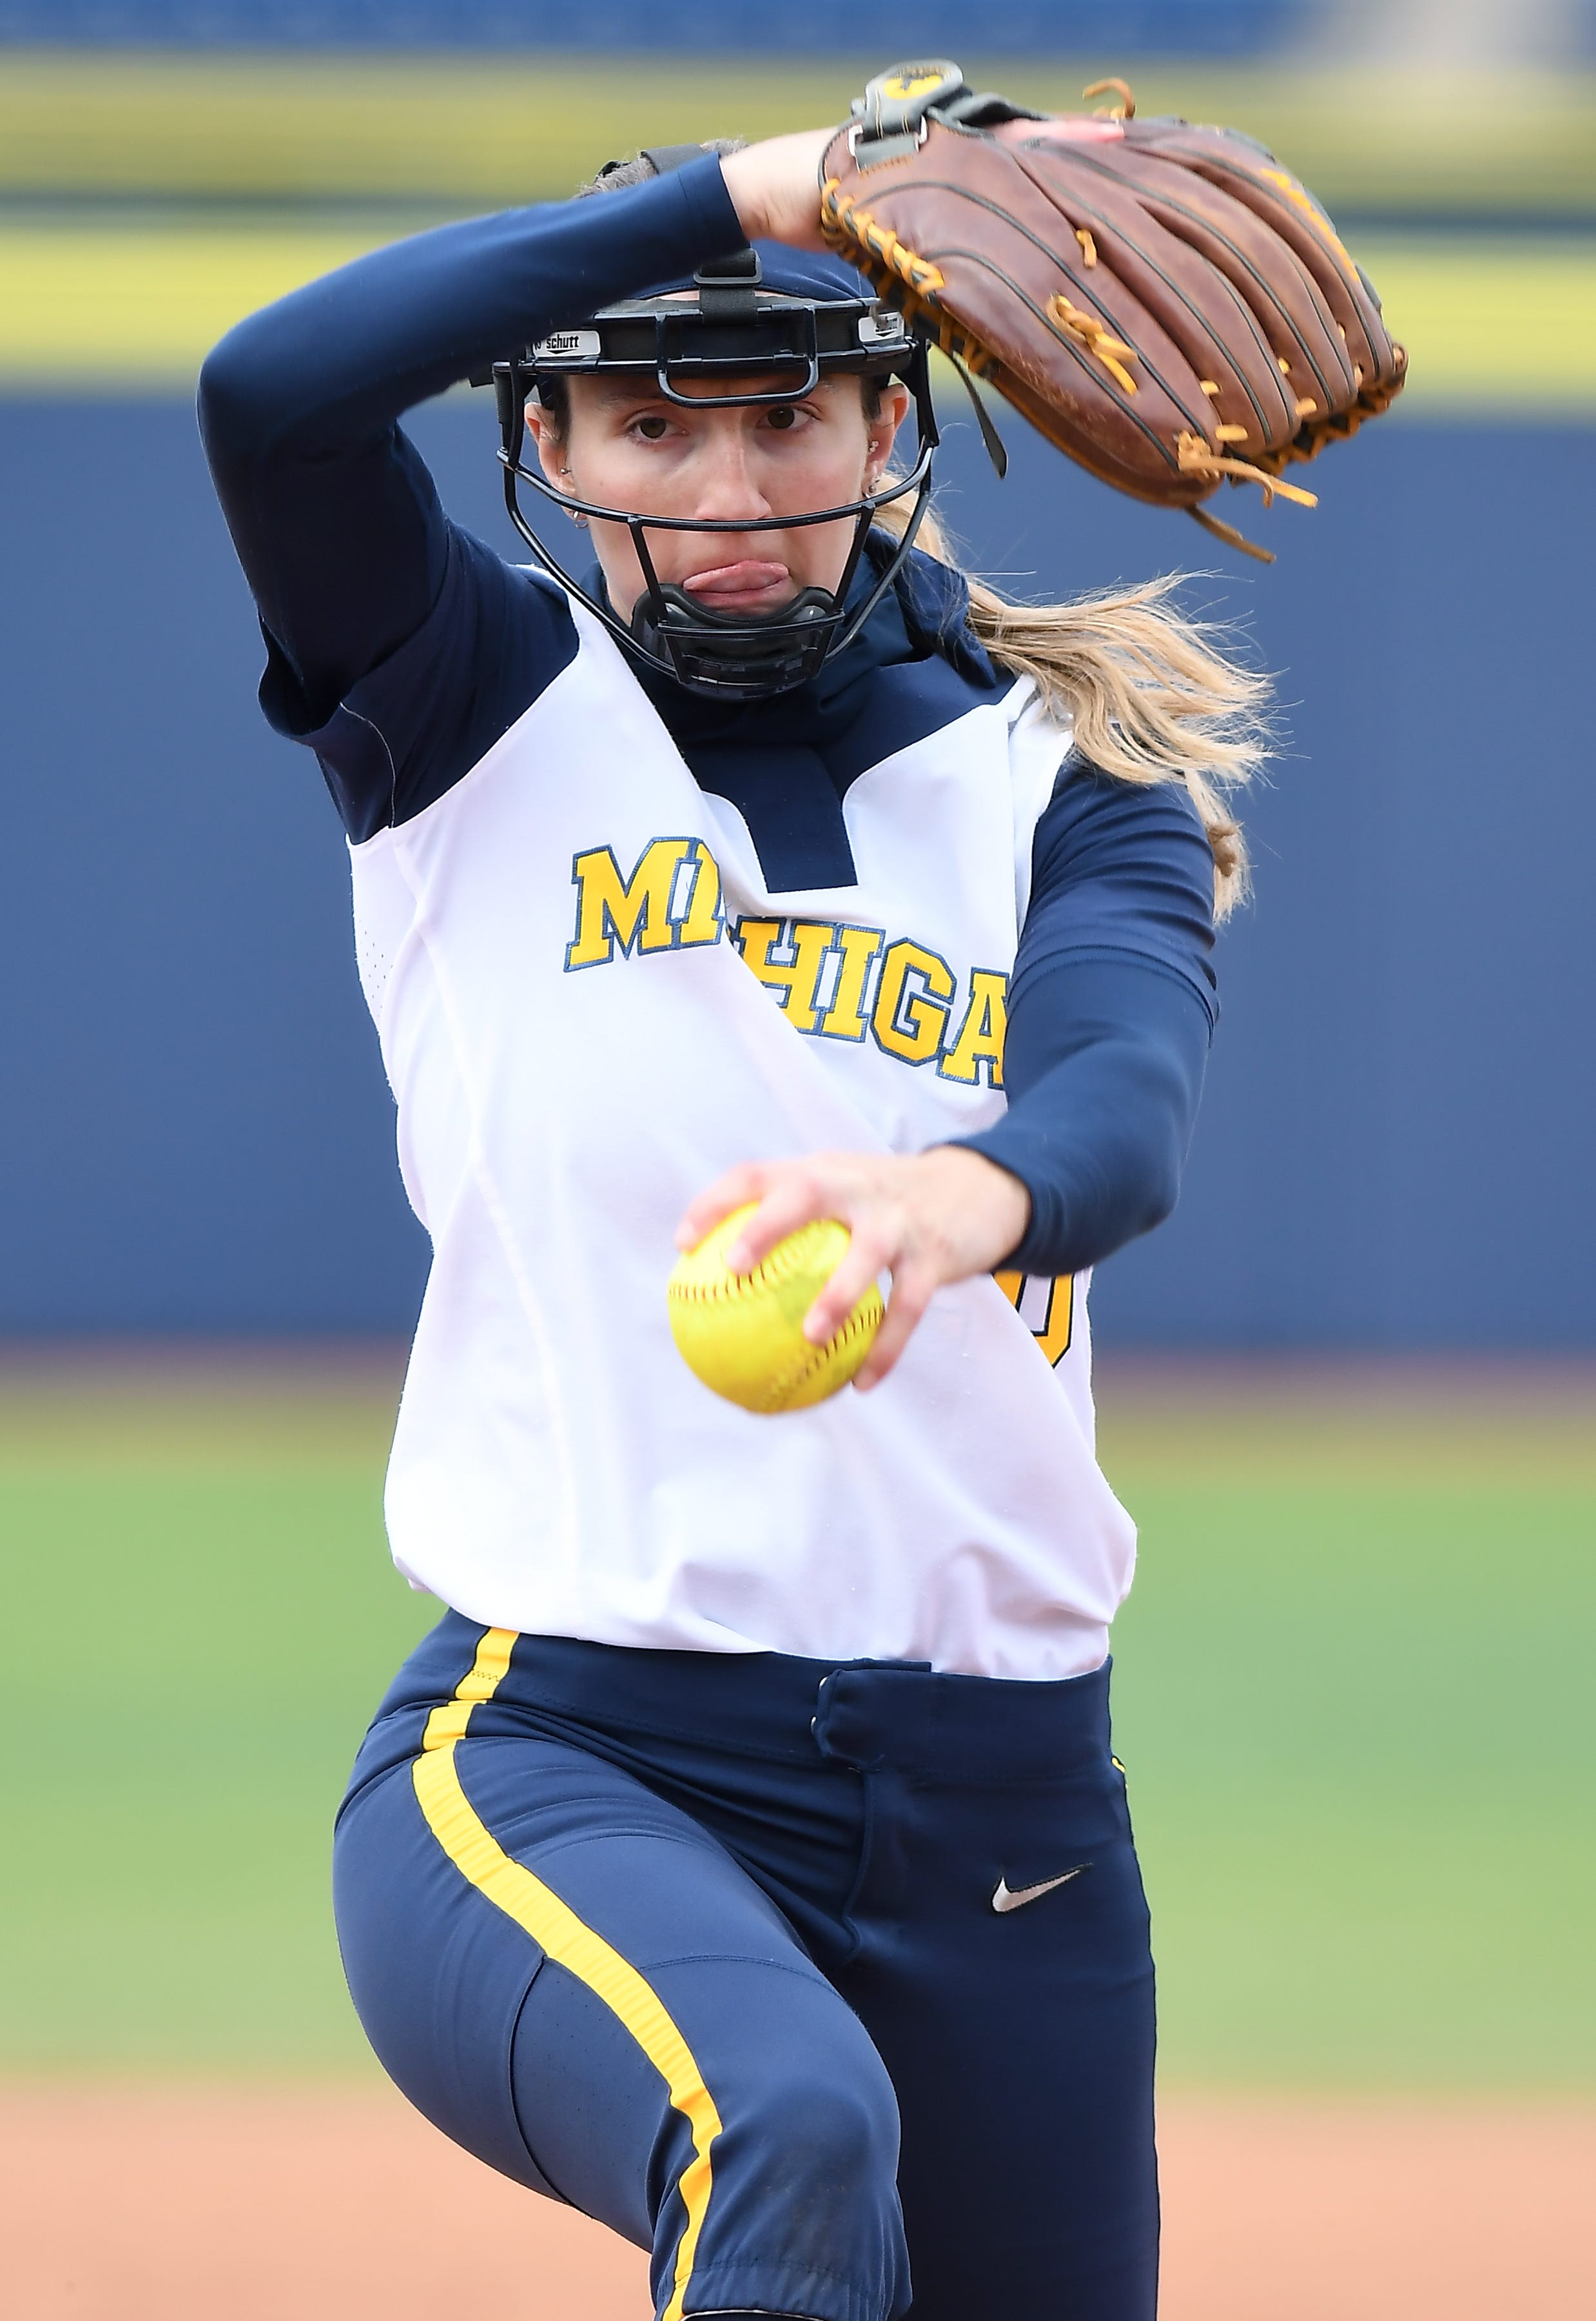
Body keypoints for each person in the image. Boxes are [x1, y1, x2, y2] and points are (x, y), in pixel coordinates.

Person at [200, 118, 1266, 2321]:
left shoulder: (1072, 782)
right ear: (545, 443)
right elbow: (271, 396)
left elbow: (1121, 1109)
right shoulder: (474, 708)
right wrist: (744, 197)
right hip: (571, 1755)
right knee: (776, 2124)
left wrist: (959, 1193)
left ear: (895, 423)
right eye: (642, 421)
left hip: (1012, 1823)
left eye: (782, 408)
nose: (719, 482)